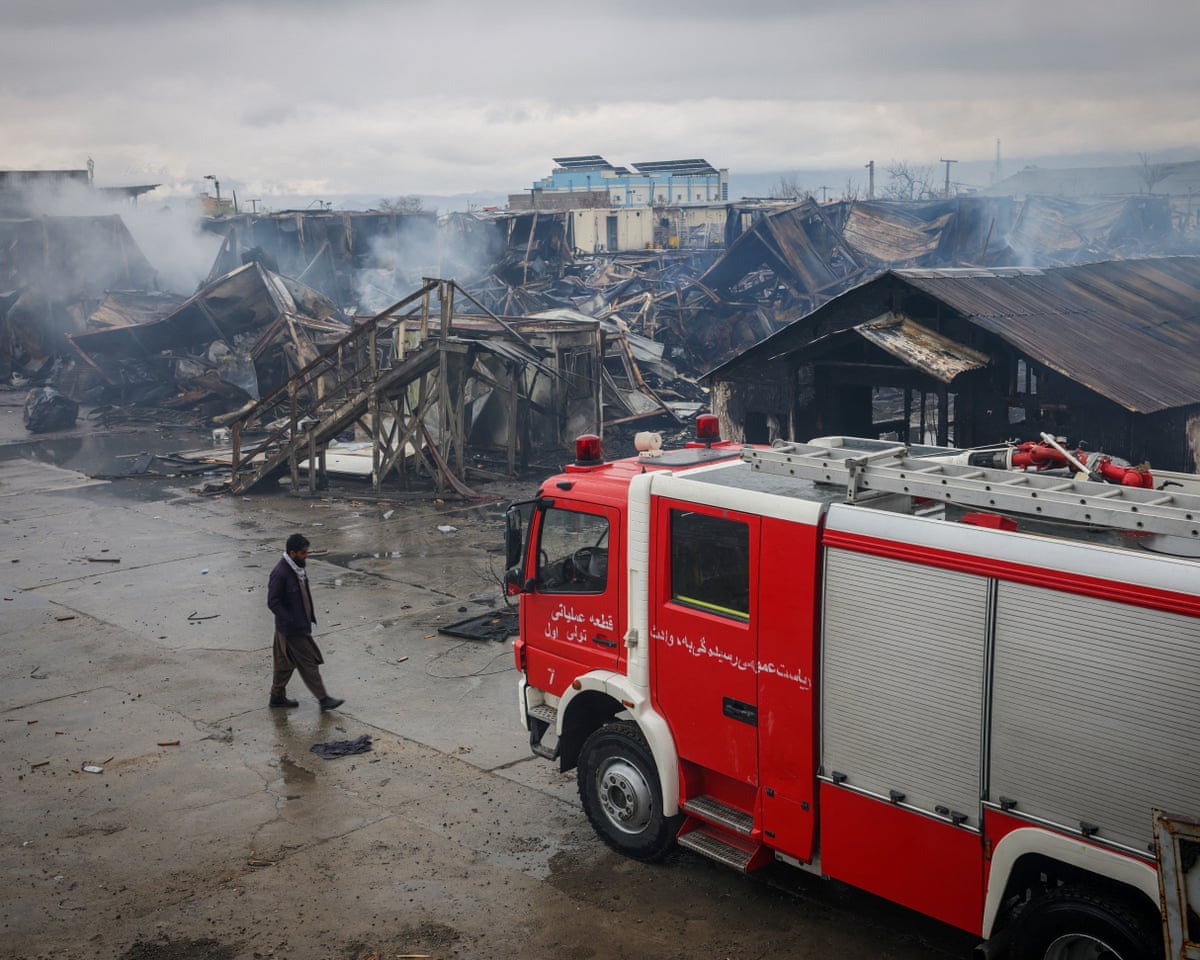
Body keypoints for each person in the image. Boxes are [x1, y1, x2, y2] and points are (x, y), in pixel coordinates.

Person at [267, 533, 344, 711]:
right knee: (309, 662)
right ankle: (323, 699)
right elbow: (273, 602)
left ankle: (277, 696)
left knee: (283, 663)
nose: (306, 556)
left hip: (295, 626)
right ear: (292, 553)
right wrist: (290, 620)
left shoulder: (296, 568)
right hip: (292, 629)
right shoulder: (281, 573)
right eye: (303, 553)